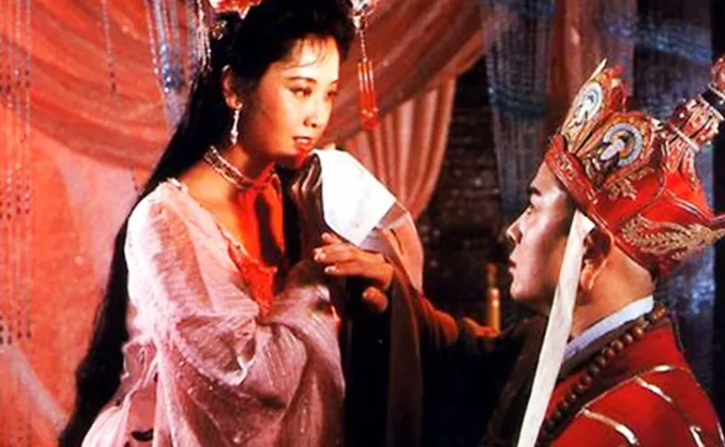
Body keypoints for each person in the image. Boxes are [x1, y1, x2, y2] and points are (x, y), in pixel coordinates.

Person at [316, 57, 725, 446]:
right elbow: (462, 359)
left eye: (533, 207)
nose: (513, 230)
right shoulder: (555, 347)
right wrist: (394, 295)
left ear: (589, 254)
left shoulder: (652, 420)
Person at [56, 0, 411, 445]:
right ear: (234, 89)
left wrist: (374, 293)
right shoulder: (168, 222)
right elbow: (246, 377)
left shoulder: (301, 197)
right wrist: (313, 281)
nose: (317, 116)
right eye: (301, 90)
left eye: (328, 93)